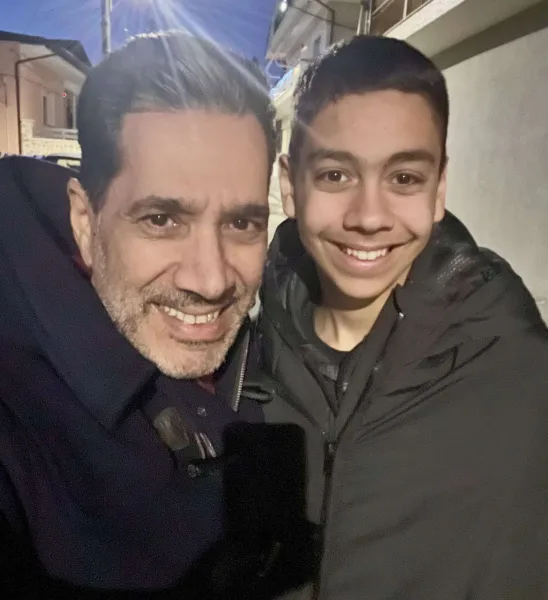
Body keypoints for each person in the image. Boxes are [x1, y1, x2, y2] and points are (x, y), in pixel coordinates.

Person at [256, 35, 548, 599]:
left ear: (439, 188)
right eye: (336, 175)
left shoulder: (519, 369)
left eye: (404, 178)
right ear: (290, 184)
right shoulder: (242, 365)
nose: (369, 217)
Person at [0, 31, 288, 597]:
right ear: (85, 222)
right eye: (161, 220)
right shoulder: (16, 413)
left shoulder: (276, 348)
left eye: (241, 223)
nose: (211, 280)